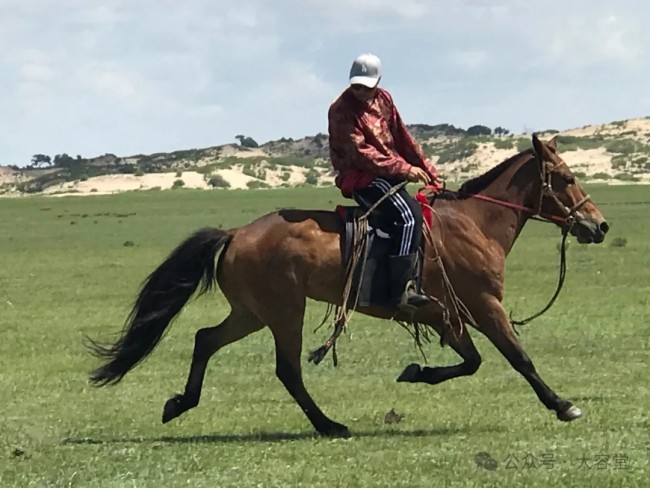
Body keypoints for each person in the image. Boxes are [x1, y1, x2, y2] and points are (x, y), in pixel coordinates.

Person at [328, 53, 443, 312]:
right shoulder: (340, 110)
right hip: (360, 176)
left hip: (388, 173)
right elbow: (360, 154)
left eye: (365, 86)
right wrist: (404, 169)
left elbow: (402, 137)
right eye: (355, 85)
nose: (359, 91)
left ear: (377, 82)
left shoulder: (384, 99)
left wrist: (427, 169)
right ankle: (401, 290)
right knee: (409, 216)